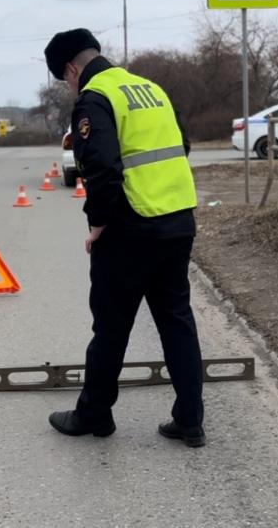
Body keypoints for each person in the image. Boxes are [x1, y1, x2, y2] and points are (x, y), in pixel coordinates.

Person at [43, 28, 206, 448]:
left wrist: (98, 224)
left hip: (130, 228)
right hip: (177, 220)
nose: (70, 86)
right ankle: (190, 419)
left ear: (71, 68)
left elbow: (101, 167)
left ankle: (94, 415)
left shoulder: (96, 97)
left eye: (66, 80)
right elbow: (181, 146)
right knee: (176, 321)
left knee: (111, 327)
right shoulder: (150, 89)